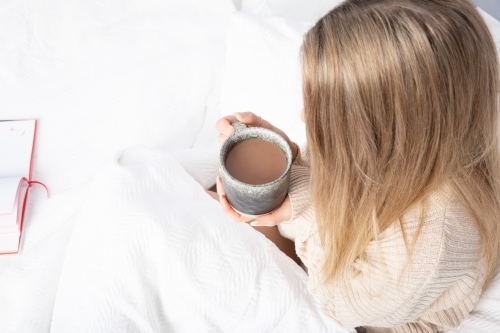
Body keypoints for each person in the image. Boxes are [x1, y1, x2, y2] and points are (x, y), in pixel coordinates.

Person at [210, 0, 500, 332]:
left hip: (365, 310)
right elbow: (330, 184)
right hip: (341, 247)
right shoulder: (393, 145)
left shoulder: (430, 245)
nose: (305, 118)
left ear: (393, 126)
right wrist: (290, 158)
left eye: (328, 111)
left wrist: (301, 205)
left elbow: (340, 305)